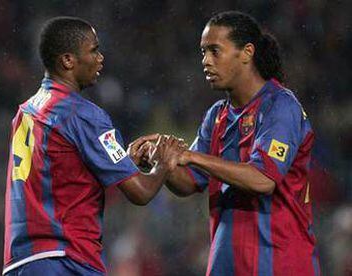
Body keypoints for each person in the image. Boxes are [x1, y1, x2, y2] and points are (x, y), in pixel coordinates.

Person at [132, 11, 321, 275]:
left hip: (279, 263)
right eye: (203, 52)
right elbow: (188, 182)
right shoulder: (217, 115)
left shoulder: (280, 106)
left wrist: (190, 156)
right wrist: (161, 160)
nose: (206, 61)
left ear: (246, 52)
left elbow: (263, 180)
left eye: (215, 51)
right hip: (227, 263)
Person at [3, 16, 183, 276]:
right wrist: (165, 162)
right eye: (94, 50)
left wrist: (122, 161)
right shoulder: (82, 114)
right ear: (68, 60)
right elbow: (141, 192)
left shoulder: (26, 111)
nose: (100, 58)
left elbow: (64, 174)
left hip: (21, 261)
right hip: (66, 260)